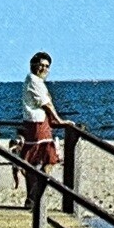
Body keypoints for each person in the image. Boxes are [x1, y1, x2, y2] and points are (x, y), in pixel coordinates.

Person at [19, 51, 69, 206]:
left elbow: (47, 103)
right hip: (37, 123)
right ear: (33, 65)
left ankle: (33, 197)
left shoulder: (36, 81)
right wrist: (58, 119)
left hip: (39, 122)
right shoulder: (33, 80)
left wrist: (54, 120)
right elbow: (45, 103)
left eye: (47, 66)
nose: (44, 68)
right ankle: (34, 196)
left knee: (37, 160)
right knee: (48, 158)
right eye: (41, 65)